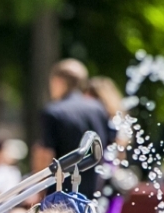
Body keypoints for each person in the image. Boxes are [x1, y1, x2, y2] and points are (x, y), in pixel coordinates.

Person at [32, 59, 112, 199]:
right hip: (91, 193)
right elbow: (107, 147)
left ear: (58, 81)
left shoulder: (54, 111)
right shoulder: (99, 109)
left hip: (59, 193)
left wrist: (38, 191)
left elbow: (46, 153)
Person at [86, 76, 130, 213]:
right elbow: (121, 151)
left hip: (99, 172)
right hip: (111, 171)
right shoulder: (117, 120)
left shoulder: (99, 119)